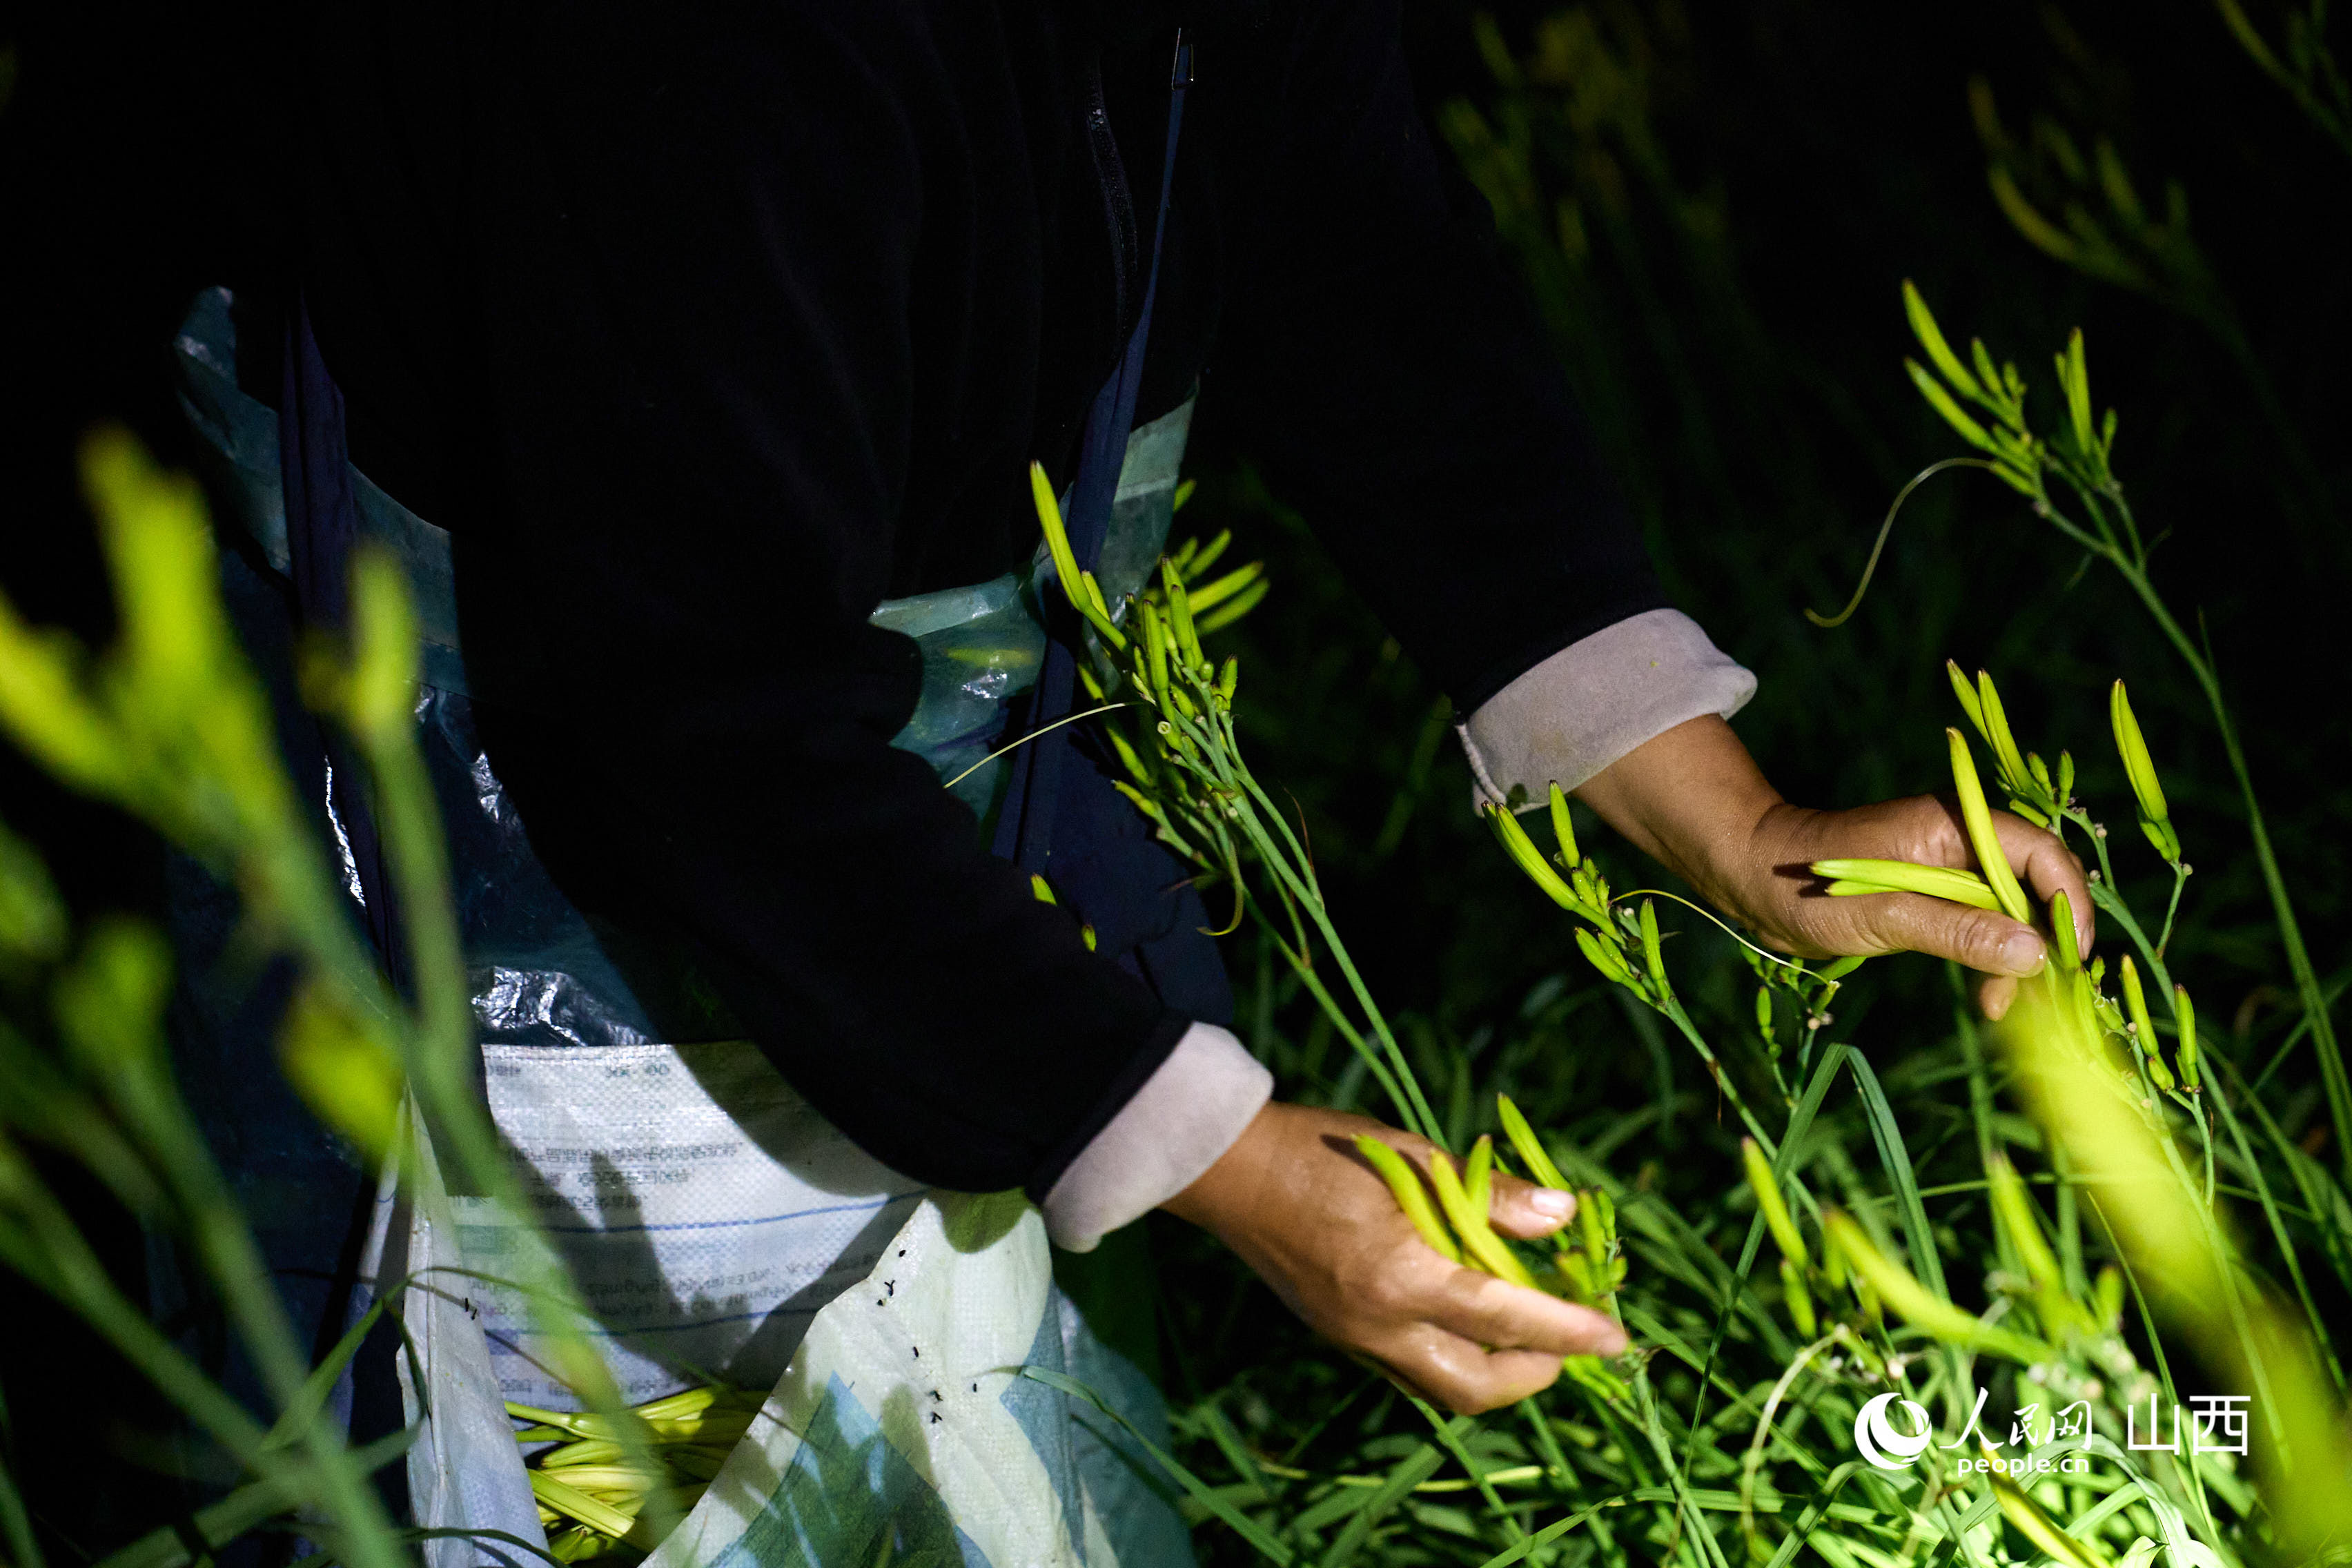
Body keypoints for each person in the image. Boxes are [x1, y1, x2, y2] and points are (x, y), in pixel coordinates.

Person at [270, 0, 2092, 1431]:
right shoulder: (724, 49)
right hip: (403, 763)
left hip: (868, 770)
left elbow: (1367, 287)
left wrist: (1737, 820)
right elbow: (698, 708)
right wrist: (1209, 1154)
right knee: (419, 1410)